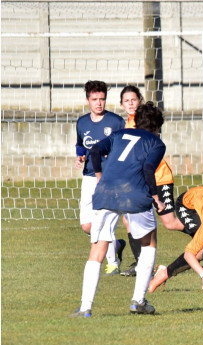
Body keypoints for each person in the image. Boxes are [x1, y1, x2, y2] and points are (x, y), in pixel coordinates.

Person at [69, 102, 166, 317]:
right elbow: (149, 168)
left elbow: (94, 150)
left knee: (98, 248)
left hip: (106, 192)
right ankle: (138, 301)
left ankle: (85, 307)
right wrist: (156, 197)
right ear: (157, 126)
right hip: (135, 194)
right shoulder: (156, 142)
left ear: (136, 121)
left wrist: (99, 178)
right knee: (149, 242)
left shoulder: (119, 134)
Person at [118, 85, 180, 277]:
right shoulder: (125, 125)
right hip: (139, 180)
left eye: (133, 100)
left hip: (159, 177)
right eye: (126, 100)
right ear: (121, 104)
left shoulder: (146, 122)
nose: (130, 103)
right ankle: (141, 265)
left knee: (169, 222)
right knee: (128, 220)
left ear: (140, 101)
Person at [74, 80, 126, 276]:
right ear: (88, 100)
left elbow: (124, 146)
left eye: (102, 99)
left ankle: (112, 263)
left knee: (103, 219)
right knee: (87, 225)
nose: (99, 103)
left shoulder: (116, 122)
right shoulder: (82, 122)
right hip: (88, 177)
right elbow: (80, 144)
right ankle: (117, 244)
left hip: (109, 178)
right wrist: (80, 156)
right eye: (95, 99)